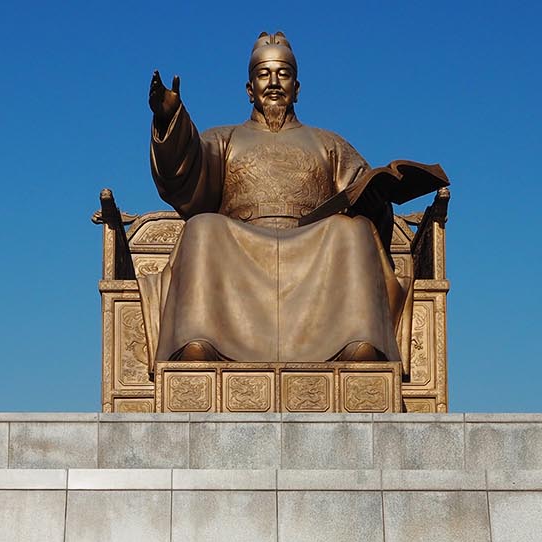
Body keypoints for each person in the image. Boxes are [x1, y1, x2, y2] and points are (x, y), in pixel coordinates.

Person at [144, 32, 406, 365]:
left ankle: (356, 342)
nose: (273, 83)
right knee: (203, 226)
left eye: (283, 74)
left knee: (352, 231)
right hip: (240, 242)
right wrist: (170, 118)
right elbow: (185, 172)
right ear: (249, 88)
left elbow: (360, 190)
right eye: (264, 74)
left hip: (314, 242)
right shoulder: (224, 138)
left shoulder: (329, 143)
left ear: (296, 87)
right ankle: (200, 341)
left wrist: (377, 198)